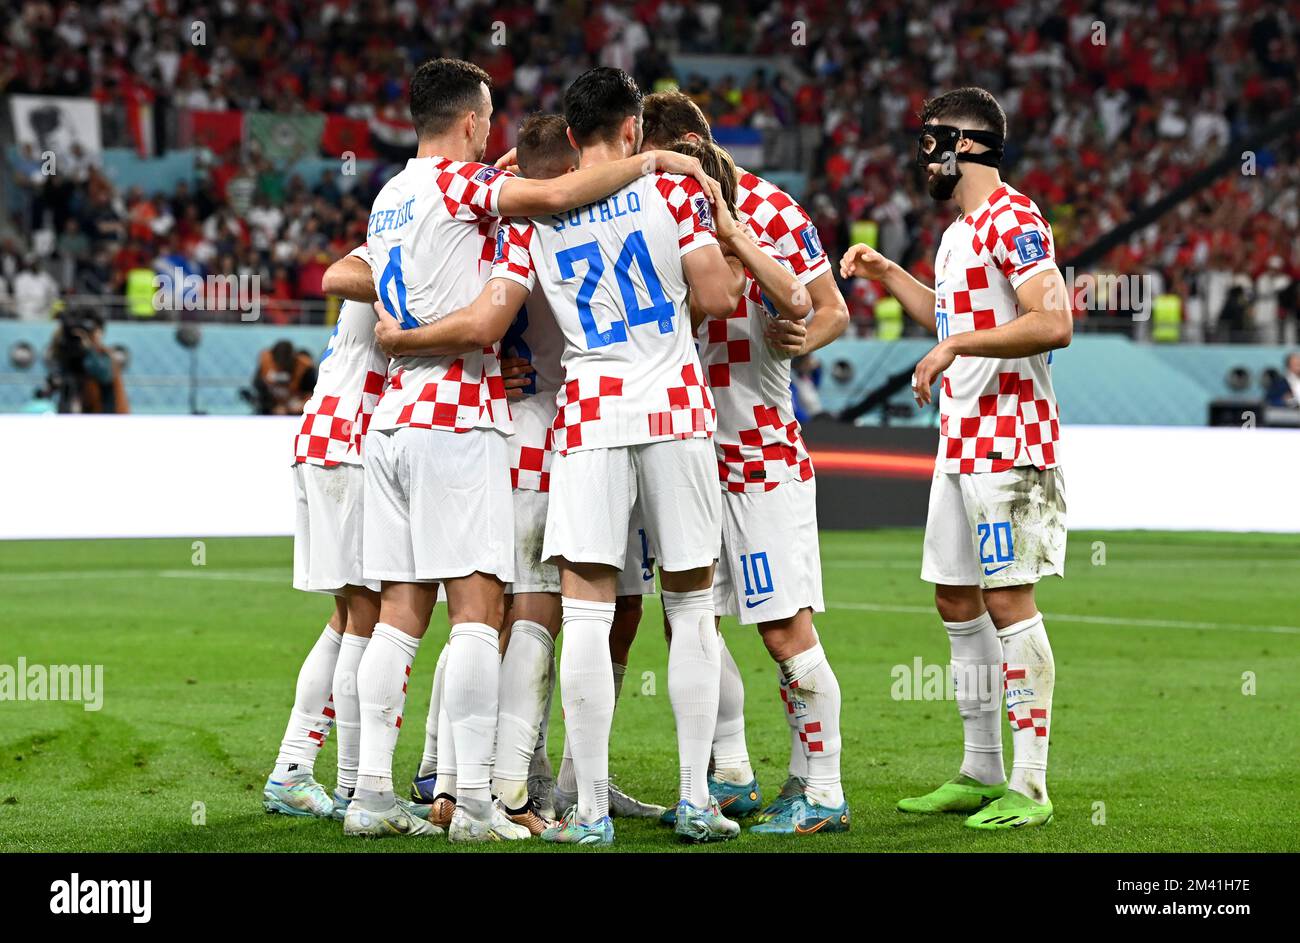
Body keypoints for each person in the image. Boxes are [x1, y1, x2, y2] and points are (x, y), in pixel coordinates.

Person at [347, 57, 715, 842]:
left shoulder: (389, 197)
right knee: (500, 615)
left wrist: (396, 330)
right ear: (473, 123)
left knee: (406, 615)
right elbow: (529, 241)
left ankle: (393, 784)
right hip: (498, 423)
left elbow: (343, 273)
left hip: (403, 418)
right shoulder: (500, 207)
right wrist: (656, 158)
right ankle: (495, 792)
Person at [841, 87, 1071, 830]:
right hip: (960, 442)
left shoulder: (1014, 217)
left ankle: (1031, 786)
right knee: (953, 596)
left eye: (929, 141)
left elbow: (1054, 319)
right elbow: (952, 317)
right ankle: (981, 768)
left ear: (964, 146)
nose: (923, 157)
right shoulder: (958, 231)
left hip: (1010, 439)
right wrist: (888, 278)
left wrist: (957, 345)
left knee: (1009, 601)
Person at [639, 89, 852, 823]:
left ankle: (822, 786)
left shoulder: (770, 210)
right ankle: (729, 768)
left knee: (781, 625)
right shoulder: (652, 207)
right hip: (685, 453)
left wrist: (805, 336)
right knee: (688, 620)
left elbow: (825, 309)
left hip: (759, 455)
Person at [261, 246, 399, 824]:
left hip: (324, 435)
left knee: (346, 618)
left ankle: (293, 769)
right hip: (352, 443)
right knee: (367, 613)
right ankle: (349, 786)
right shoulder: (404, 243)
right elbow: (335, 275)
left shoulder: (399, 237)